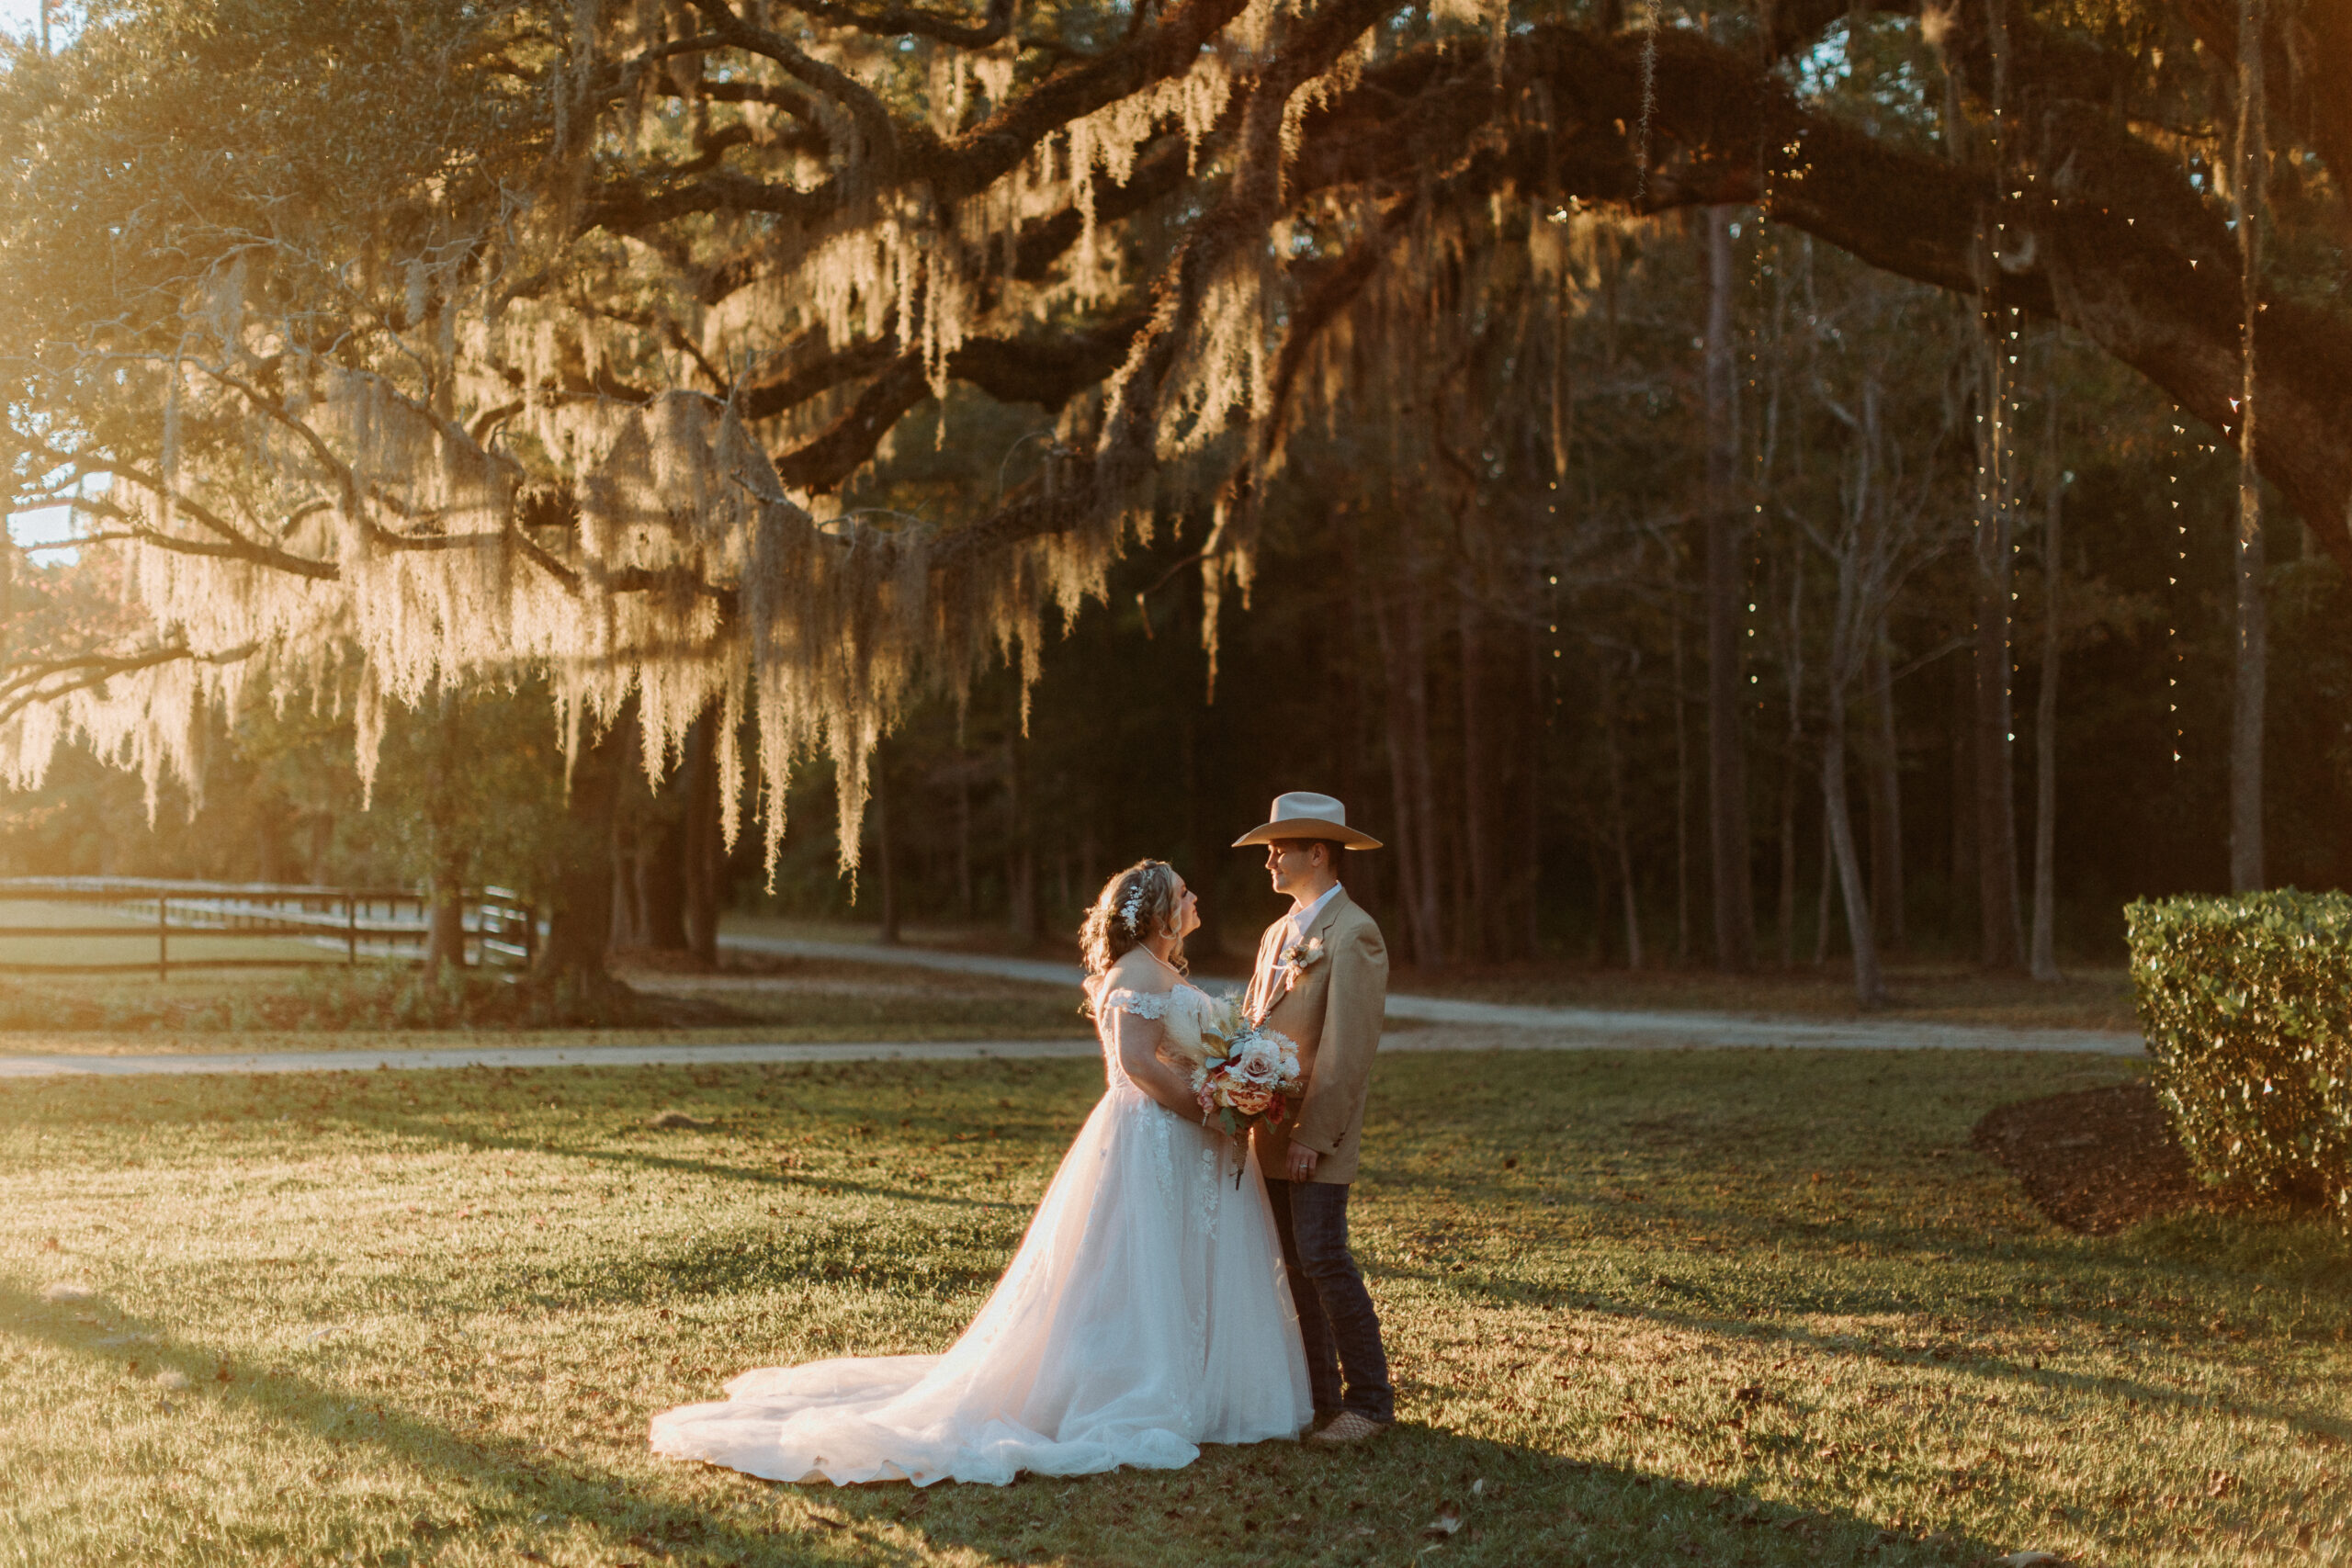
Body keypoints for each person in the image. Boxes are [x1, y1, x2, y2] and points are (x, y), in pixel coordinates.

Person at [648, 860, 1312, 1487]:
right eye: (1184, 892)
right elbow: (1138, 1066)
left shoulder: (1159, 968)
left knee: (1175, 1260)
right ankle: (1135, 1383)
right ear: (1161, 913)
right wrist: (1206, 1110)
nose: (1194, 898)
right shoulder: (1135, 975)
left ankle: (1195, 1382)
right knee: (1138, 1265)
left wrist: (1230, 1089)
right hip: (1153, 1138)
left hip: (1182, 1139)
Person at [1232, 791, 1395, 1445]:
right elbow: (1253, 1026)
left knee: (1324, 1256)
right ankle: (1319, 1397)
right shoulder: (1278, 933)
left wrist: (1312, 1135)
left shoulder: (1355, 933)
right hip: (1268, 1129)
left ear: (1318, 853)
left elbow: (1346, 1051)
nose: (1269, 860)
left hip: (1315, 1135)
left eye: (1280, 849)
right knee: (1293, 1264)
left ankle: (1370, 1404)